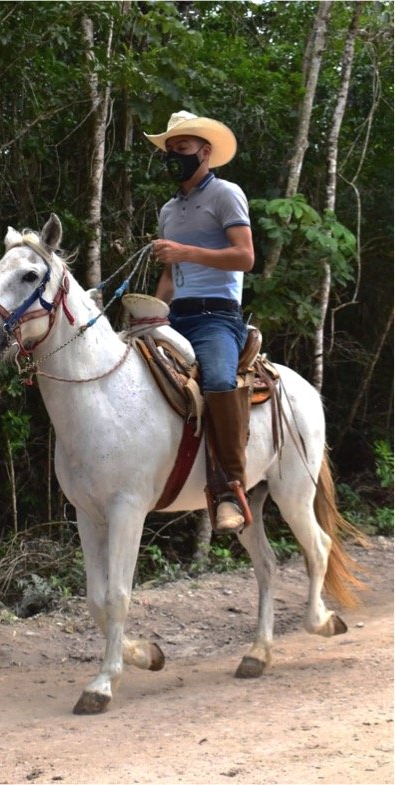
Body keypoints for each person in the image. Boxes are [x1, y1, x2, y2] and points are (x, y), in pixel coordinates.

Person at [144, 110, 254, 532]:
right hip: (177, 316)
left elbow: (245, 257)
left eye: (182, 148)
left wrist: (185, 252)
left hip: (217, 316)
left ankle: (230, 489)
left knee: (220, 380)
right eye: (170, 149)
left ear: (204, 152)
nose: (174, 155)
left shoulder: (226, 194)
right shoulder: (169, 210)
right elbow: (170, 276)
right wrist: (151, 313)